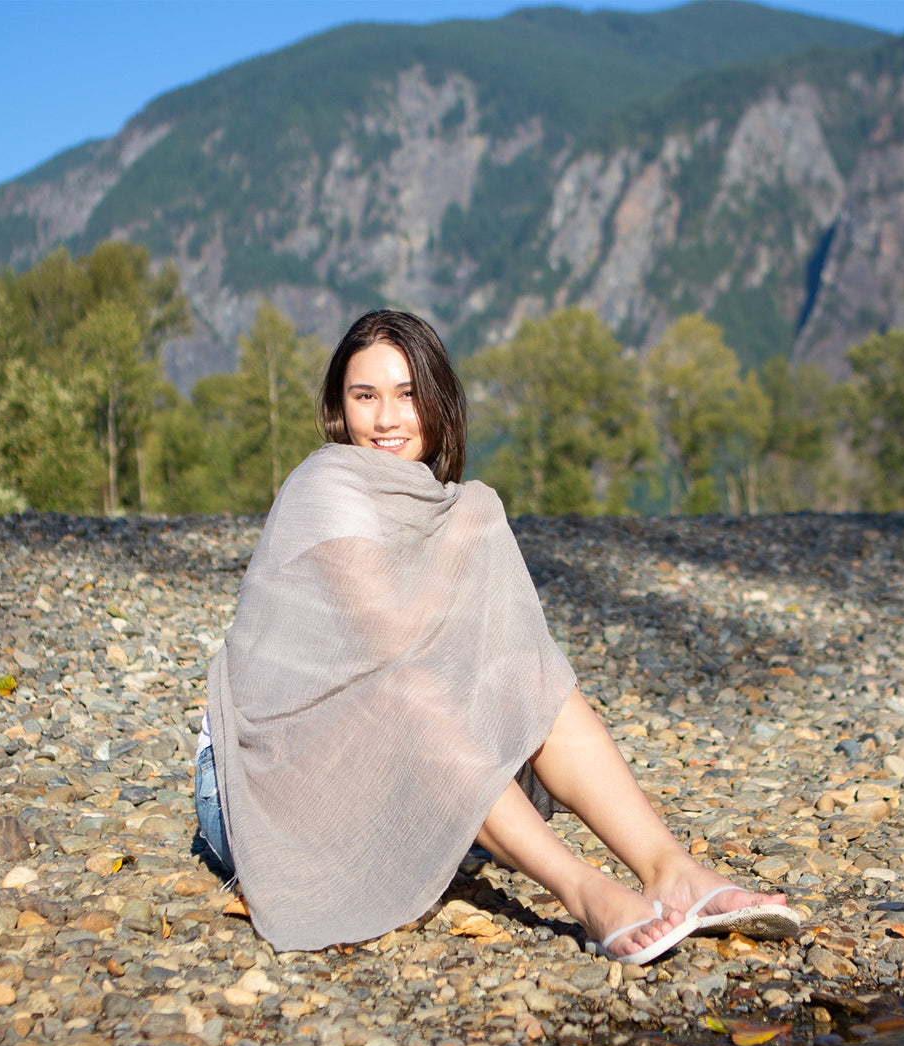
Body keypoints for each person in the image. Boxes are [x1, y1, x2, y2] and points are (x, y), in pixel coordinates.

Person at [196, 309, 800, 962]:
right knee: (406, 689)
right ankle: (587, 893)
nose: (386, 418)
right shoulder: (328, 485)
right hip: (258, 787)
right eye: (364, 396)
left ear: (437, 403)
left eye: (407, 395)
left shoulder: (438, 502)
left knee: (531, 675)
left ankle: (670, 870)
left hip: (381, 760)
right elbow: (390, 648)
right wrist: (464, 536)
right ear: (340, 409)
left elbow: (489, 652)